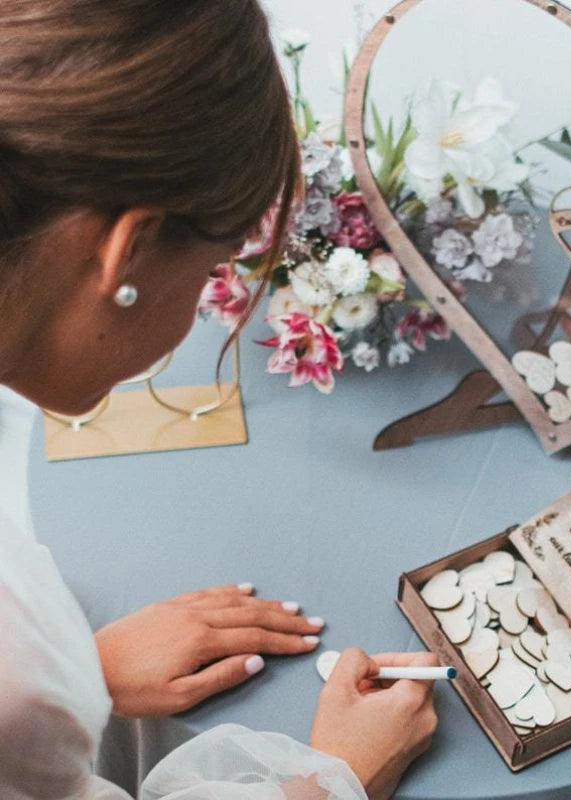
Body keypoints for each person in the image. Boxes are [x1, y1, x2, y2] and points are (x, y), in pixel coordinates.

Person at [0, 2, 439, 798]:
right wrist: (336, 778)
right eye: (213, 271)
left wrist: (85, 668)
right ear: (128, 249)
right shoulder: (20, 677)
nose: (209, 303)